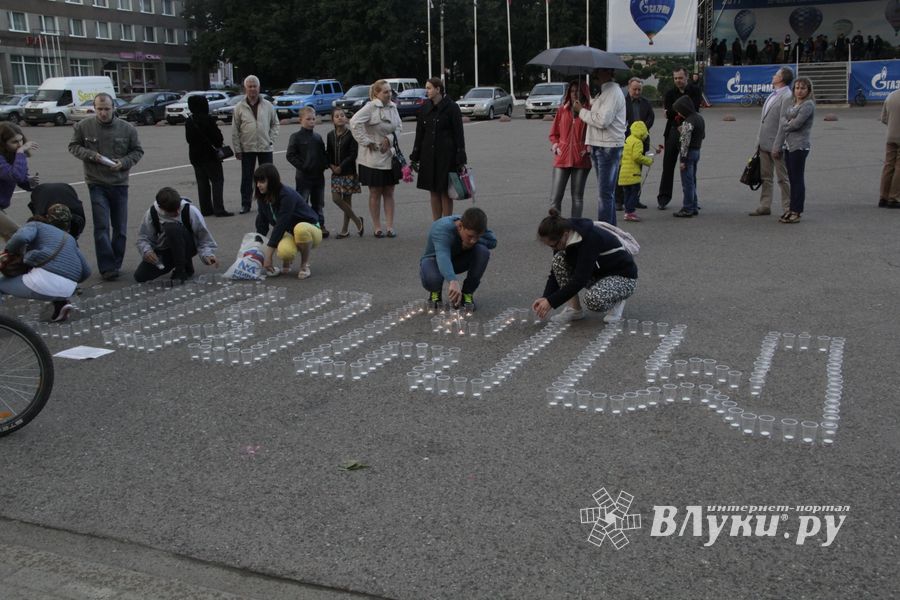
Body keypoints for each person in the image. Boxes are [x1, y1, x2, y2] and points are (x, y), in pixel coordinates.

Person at [68, 92, 144, 281]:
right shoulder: (84, 126)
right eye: (99, 109)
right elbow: (73, 146)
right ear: (95, 108)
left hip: (119, 183)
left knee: (120, 227)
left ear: (114, 108)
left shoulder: (127, 129)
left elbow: (137, 151)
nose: (103, 113)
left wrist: (124, 162)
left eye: (106, 109)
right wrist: (92, 155)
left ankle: (116, 263)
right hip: (96, 183)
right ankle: (107, 267)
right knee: (101, 226)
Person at [531, 209, 637, 324]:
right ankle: (574, 309)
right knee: (558, 260)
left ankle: (617, 300)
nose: (554, 249)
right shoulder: (561, 235)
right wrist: (546, 297)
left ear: (565, 235)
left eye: (554, 245)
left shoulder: (590, 238)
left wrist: (551, 302)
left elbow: (580, 280)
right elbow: (554, 273)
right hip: (597, 274)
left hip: (623, 277)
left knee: (594, 300)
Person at [0, 205, 91, 322]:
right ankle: (61, 305)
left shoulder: (34, 225)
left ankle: (4, 324)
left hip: (44, 282)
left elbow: (21, 237)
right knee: (49, 272)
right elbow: (87, 271)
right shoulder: (69, 238)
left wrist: (9, 252)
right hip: (69, 288)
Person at [350, 79, 402, 237]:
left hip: (389, 155)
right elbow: (354, 122)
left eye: (390, 91)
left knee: (389, 191)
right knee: (375, 192)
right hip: (372, 158)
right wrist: (367, 141)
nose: (389, 94)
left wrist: (390, 139)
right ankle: (377, 227)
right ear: (376, 94)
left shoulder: (393, 107)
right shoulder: (370, 107)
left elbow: (399, 126)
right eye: (385, 92)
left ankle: (390, 226)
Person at [573, 68, 626, 225]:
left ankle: (605, 233)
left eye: (598, 72)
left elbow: (603, 121)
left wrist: (581, 111)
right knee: (606, 194)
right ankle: (611, 230)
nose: (595, 74)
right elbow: (597, 115)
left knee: (605, 195)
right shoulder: (604, 92)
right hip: (601, 145)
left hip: (608, 146)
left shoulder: (612, 92)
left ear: (609, 73)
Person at [410, 77, 467, 221]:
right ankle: (436, 223)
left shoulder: (452, 107)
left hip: (447, 156)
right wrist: (415, 155)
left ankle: (446, 222)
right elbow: (420, 133)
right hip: (428, 155)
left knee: (445, 191)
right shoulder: (424, 108)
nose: (426, 91)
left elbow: (459, 133)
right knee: (433, 190)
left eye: (429, 88)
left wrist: (460, 157)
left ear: (438, 89)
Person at [134, 187, 218, 282]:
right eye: (173, 211)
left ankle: (181, 269)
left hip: (188, 246)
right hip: (166, 249)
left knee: (172, 228)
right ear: (161, 208)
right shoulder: (152, 213)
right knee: (140, 276)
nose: (177, 212)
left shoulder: (190, 210)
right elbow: (143, 238)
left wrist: (207, 255)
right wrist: (147, 252)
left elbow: (204, 238)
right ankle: (183, 262)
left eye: (178, 209)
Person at [420, 207, 496, 311]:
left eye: (477, 237)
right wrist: (453, 281)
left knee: (483, 252)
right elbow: (443, 257)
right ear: (460, 226)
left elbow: (493, 242)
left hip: (458, 260)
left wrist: (472, 242)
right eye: (470, 236)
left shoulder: (477, 225)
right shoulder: (442, 229)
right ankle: (435, 292)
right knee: (433, 279)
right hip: (434, 261)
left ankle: (467, 293)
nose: (473, 240)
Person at [253, 163, 321, 279]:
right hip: (290, 232)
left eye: (262, 181)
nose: (258, 185)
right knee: (285, 252)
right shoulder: (262, 197)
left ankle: (304, 265)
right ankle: (287, 260)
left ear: (272, 181)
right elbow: (262, 224)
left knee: (300, 229)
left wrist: (268, 256)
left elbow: (281, 224)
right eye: (257, 182)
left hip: (311, 230)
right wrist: (256, 252)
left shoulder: (286, 195)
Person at [749, 66, 794, 218]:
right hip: (764, 142)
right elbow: (764, 121)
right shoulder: (773, 94)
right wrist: (758, 142)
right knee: (765, 176)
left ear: (782, 78)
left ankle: (788, 207)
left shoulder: (787, 96)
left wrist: (778, 144)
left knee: (783, 178)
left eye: (776, 75)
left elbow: (783, 122)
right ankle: (765, 205)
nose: (774, 76)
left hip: (777, 143)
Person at [233, 75, 279, 214]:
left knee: (267, 176)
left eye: (255, 86)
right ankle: (245, 204)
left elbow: (275, 124)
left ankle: (268, 202)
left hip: (265, 146)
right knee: (247, 177)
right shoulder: (239, 107)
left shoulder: (268, 105)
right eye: (250, 86)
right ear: (245, 88)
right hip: (247, 147)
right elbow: (235, 129)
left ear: (259, 88)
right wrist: (237, 148)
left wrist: (271, 139)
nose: (252, 89)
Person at [656, 67, 702, 210]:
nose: (678, 81)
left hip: (689, 132)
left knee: (689, 168)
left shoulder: (695, 91)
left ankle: (692, 201)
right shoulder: (670, 93)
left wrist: (672, 112)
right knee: (668, 166)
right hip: (672, 132)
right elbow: (668, 113)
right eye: (675, 78)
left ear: (686, 77)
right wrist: (675, 112)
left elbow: (694, 109)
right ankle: (663, 198)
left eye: (680, 78)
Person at [772, 77, 815, 224]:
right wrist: (787, 121)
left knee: (797, 180)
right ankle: (791, 208)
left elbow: (795, 124)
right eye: (797, 88)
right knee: (791, 179)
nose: (799, 91)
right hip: (789, 146)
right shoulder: (793, 103)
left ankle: (797, 211)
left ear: (808, 90)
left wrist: (787, 122)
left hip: (799, 146)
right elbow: (784, 119)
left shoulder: (808, 105)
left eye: (803, 88)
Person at [548, 80, 592, 218]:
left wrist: (587, 148)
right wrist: (556, 146)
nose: (575, 94)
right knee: (555, 199)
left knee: (577, 198)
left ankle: (576, 229)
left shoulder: (589, 112)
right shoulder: (562, 110)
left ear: (584, 93)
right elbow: (554, 133)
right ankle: (555, 230)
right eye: (572, 91)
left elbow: (594, 133)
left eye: (578, 91)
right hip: (562, 156)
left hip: (581, 158)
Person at [185, 95, 233, 217]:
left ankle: (206, 209)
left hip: (195, 157)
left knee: (202, 183)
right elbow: (217, 138)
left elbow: (188, 139)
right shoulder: (208, 119)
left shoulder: (189, 120)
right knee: (217, 181)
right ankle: (219, 209)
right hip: (210, 156)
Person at [286, 107, 329, 237]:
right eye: (308, 119)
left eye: (313, 119)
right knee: (302, 202)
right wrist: (303, 166)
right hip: (304, 177)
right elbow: (290, 155)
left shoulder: (317, 137)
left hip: (318, 176)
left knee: (318, 203)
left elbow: (323, 153)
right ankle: (300, 227)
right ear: (301, 120)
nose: (311, 121)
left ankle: (320, 225)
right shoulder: (296, 137)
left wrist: (325, 164)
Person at [616, 78, 655, 210]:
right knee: (622, 172)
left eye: (639, 89)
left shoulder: (646, 103)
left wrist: (642, 129)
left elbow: (651, 117)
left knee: (637, 171)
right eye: (634, 89)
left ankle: (635, 199)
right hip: (626, 141)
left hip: (642, 141)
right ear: (629, 88)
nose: (637, 92)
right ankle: (619, 200)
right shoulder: (622, 102)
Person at [326, 108, 365, 237]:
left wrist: (341, 166)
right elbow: (329, 153)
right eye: (336, 116)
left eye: (342, 115)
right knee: (336, 198)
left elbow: (353, 154)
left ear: (346, 118)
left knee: (347, 200)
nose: (340, 117)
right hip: (335, 172)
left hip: (348, 171)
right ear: (332, 120)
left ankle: (345, 230)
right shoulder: (330, 135)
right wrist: (331, 165)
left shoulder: (351, 134)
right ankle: (357, 220)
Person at [0, 122, 39, 241]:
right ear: (2, 143)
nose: (19, 145)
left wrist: (30, 181)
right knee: (17, 235)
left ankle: (12, 259)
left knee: (13, 237)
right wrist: (21, 152)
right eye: (14, 142)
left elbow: (21, 178)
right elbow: (14, 175)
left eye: (21, 140)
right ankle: (16, 259)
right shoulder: (17, 154)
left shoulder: (13, 155)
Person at [672, 96, 705, 218]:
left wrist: (682, 160)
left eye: (679, 110)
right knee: (692, 180)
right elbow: (702, 135)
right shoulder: (699, 118)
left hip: (689, 153)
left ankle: (687, 208)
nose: (678, 113)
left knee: (687, 182)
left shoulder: (688, 122)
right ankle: (694, 205)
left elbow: (685, 143)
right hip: (697, 151)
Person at [618, 120, 653, 222]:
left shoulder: (628, 139)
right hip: (633, 172)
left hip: (624, 172)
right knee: (635, 192)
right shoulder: (638, 142)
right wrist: (648, 161)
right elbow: (637, 156)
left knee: (627, 192)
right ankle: (630, 212)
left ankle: (627, 212)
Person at [880, 88, 900, 209]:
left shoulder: (891, 96)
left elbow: (883, 118)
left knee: (888, 165)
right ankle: (894, 197)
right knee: (899, 167)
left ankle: (883, 196)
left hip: (891, 136)